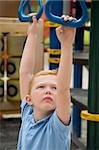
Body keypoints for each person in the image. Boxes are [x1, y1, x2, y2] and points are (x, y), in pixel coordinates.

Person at [17, 15, 76, 150]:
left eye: (54, 88)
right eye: (41, 87)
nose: (48, 90)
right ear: (29, 99)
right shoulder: (28, 115)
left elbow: (63, 89)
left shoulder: (57, 125)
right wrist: (32, 34)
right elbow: (25, 73)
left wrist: (66, 45)